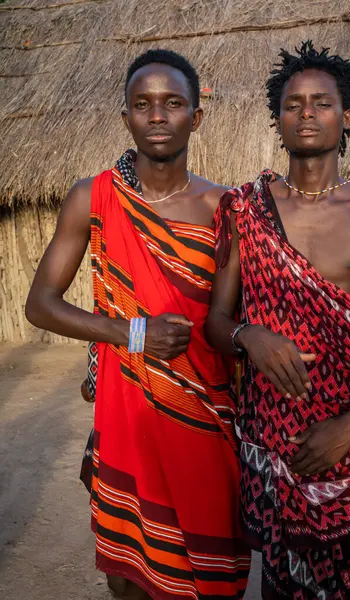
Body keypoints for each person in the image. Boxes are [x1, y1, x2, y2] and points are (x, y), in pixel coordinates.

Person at [205, 41, 350, 600]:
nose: (307, 113)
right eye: (294, 103)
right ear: (277, 119)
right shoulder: (245, 208)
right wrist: (248, 336)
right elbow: (215, 322)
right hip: (274, 435)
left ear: (347, 115)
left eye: (322, 103)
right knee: (284, 583)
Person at [26, 48, 250, 599]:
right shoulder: (93, 197)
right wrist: (132, 334)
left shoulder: (229, 208)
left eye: (172, 103)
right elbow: (41, 304)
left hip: (207, 418)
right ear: (125, 116)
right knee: (128, 581)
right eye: (142, 104)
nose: (157, 115)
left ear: (196, 117)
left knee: (213, 572)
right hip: (126, 411)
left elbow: (237, 318)